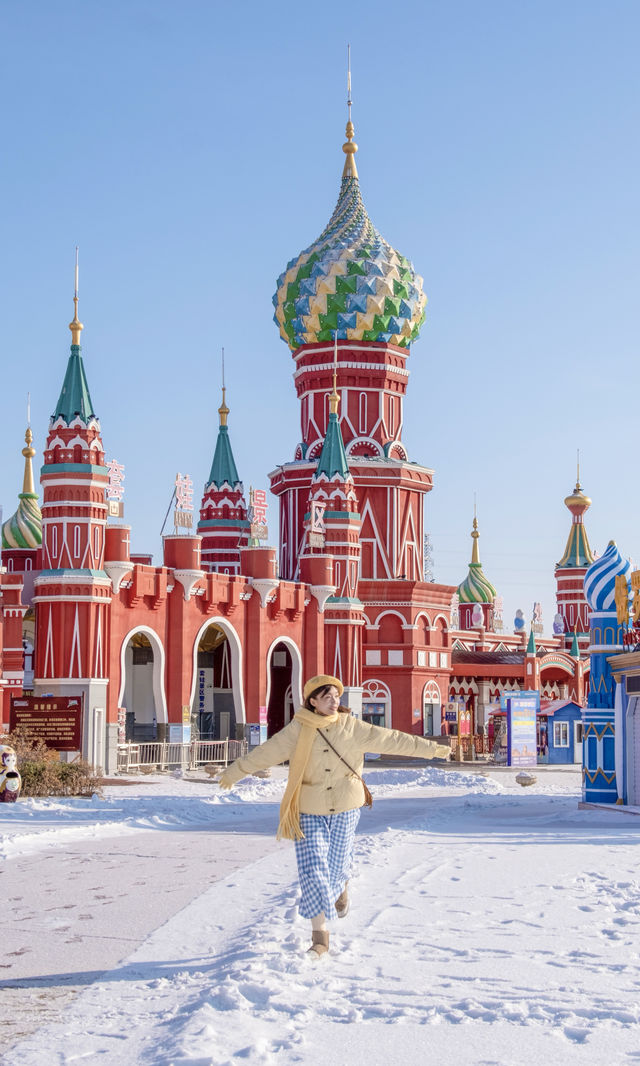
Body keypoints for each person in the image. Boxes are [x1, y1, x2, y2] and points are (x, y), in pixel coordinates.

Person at [218, 674, 451, 958]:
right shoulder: (296, 730)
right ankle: (320, 936)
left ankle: (341, 886)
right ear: (312, 701)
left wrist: (432, 749)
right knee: (313, 871)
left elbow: (391, 739)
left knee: (337, 866)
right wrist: (235, 771)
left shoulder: (351, 727)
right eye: (327, 697)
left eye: (336, 697)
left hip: (346, 807)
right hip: (308, 808)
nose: (333, 702)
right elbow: (267, 752)